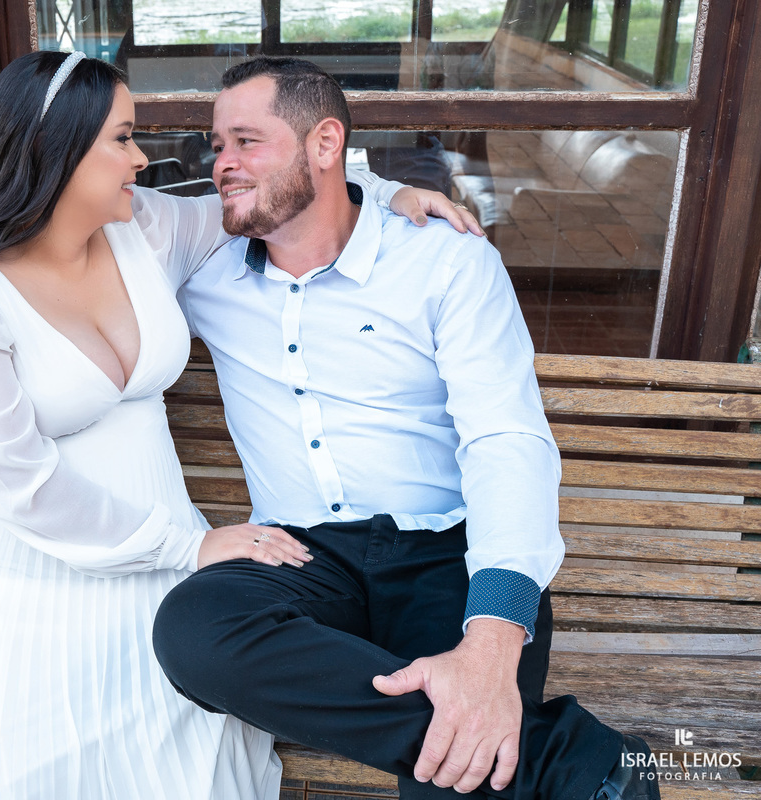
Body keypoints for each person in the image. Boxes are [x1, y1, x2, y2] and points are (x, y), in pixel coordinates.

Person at [0, 50, 473, 799]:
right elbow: (22, 488)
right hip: (24, 577)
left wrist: (387, 192)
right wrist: (191, 544)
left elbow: (288, 192)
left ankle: (492, 738)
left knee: (178, 756)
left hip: (159, 576)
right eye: (122, 139)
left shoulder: (148, 231)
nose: (144, 157)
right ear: (54, 149)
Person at [148, 57, 661, 800]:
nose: (222, 164)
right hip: (303, 556)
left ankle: (485, 740)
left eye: (246, 141)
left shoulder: (444, 261)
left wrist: (490, 641)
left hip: (443, 551)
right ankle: (566, 758)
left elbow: (504, 441)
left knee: (449, 783)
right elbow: (58, 231)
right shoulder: (206, 266)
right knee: (195, 628)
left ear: (325, 144)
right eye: (216, 145)